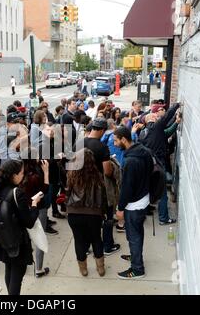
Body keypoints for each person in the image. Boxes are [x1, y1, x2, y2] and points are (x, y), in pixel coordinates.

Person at [0, 160, 41, 295]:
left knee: (9, 268)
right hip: (17, 239)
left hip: (2, 238)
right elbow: (29, 221)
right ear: (13, 175)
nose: (23, 176)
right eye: (21, 173)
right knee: (17, 273)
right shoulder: (17, 193)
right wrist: (34, 205)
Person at [113, 126, 153, 279]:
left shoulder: (130, 161)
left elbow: (126, 189)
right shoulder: (144, 151)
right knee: (137, 233)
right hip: (143, 199)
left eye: (116, 141)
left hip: (134, 204)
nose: (115, 144)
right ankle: (135, 256)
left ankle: (137, 269)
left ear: (124, 139)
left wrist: (120, 208)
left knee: (133, 235)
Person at [81, 118, 120, 256]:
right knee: (107, 217)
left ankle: (85, 248)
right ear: (102, 130)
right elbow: (107, 171)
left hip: (82, 188)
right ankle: (107, 246)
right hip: (100, 189)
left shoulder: (79, 143)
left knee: (85, 219)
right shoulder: (102, 147)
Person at [66, 148, 107, 277]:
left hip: (74, 212)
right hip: (93, 213)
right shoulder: (98, 176)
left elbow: (67, 193)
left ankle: (83, 269)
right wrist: (103, 212)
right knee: (96, 239)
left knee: (78, 240)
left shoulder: (72, 175)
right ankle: (100, 268)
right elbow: (103, 196)